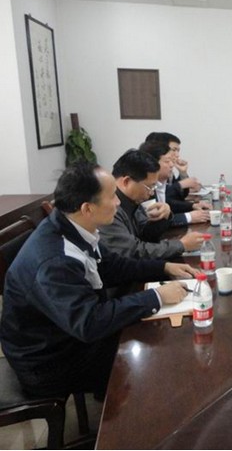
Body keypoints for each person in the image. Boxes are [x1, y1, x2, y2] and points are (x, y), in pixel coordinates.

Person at [0, 163, 199, 399]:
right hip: (49, 361)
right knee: (149, 357)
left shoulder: (71, 226)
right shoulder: (55, 260)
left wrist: (164, 267)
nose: (118, 202)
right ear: (87, 208)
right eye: (112, 196)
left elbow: (111, 265)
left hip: (67, 334)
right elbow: (89, 323)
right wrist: (156, 296)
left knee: (150, 332)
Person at [99, 149, 206, 259]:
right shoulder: (108, 208)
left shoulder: (132, 200)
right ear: (127, 182)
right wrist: (181, 245)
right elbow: (134, 251)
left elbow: (146, 235)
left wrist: (164, 215)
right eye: (149, 187)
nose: (151, 193)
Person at [138, 140, 210, 226]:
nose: (172, 165)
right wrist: (188, 217)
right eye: (167, 161)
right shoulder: (146, 187)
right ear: (152, 163)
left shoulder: (161, 182)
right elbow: (154, 223)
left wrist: (192, 206)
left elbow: (168, 202)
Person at [145, 132, 202, 196]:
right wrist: (181, 184)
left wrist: (183, 173)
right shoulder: (149, 170)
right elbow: (158, 195)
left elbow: (176, 195)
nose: (177, 155)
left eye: (178, 151)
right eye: (174, 150)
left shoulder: (168, 169)